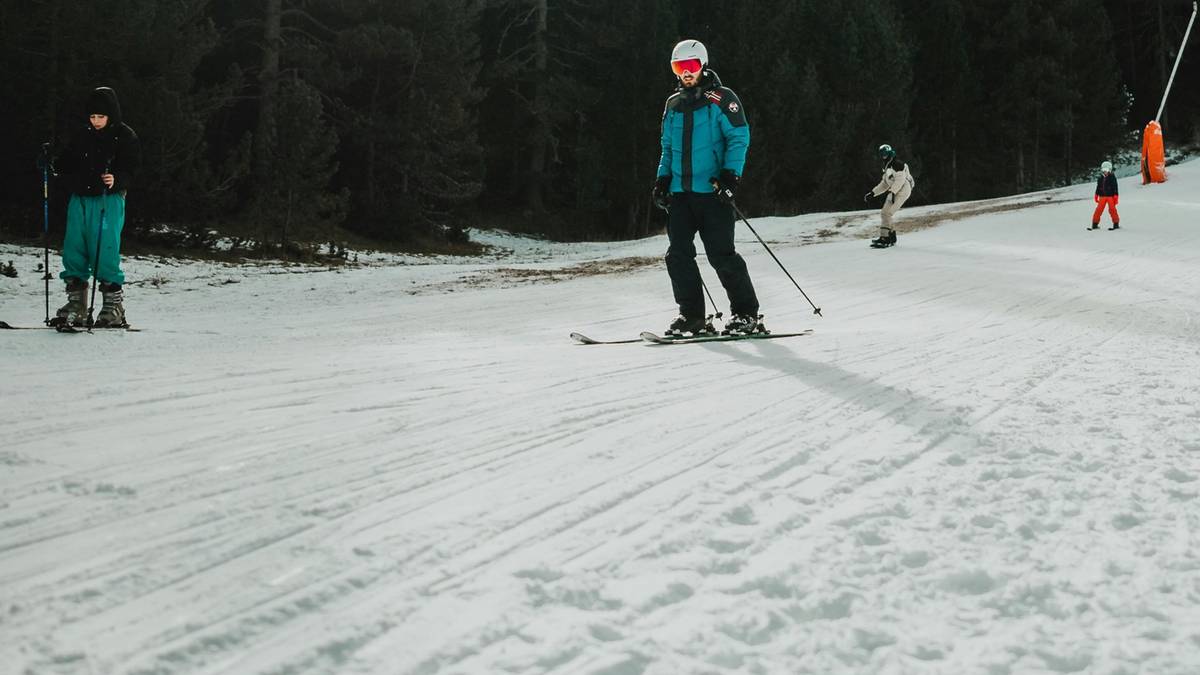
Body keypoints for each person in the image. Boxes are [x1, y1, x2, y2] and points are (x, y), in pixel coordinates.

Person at [652, 39, 761, 336]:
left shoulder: (721, 99)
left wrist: (730, 177)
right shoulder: (673, 105)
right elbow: (667, 148)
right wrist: (663, 180)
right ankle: (692, 316)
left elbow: (739, 138)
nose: (686, 73)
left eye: (691, 66)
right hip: (681, 194)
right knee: (677, 255)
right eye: (679, 67)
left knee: (721, 254)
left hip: (712, 192)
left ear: (702, 65)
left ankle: (745, 314)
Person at [51, 86, 140, 328]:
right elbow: (67, 161)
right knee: (74, 247)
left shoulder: (124, 135)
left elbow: (131, 168)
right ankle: (76, 303)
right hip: (80, 197)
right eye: (92, 117)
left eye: (101, 117)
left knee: (104, 248)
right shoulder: (82, 135)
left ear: (111, 115)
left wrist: (117, 179)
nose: (96, 121)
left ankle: (113, 305)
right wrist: (52, 162)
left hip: (107, 199)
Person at [863, 144, 914, 248]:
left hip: (903, 190)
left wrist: (893, 192)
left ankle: (885, 238)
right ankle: (889, 237)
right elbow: (885, 183)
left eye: (885, 153)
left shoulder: (897, 164)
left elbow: (900, 180)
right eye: (882, 154)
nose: (883, 156)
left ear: (890, 153)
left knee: (888, 213)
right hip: (894, 190)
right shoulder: (887, 166)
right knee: (884, 213)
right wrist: (873, 193)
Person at [1091, 160, 1119, 230]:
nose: (1105, 171)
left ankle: (1116, 223)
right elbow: (1098, 186)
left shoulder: (1112, 177)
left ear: (1110, 170)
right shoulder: (1100, 178)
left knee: (1112, 209)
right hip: (1102, 196)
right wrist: (1096, 194)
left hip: (1110, 196)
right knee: (1099, 210)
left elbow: (1115, 186)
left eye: (1107, 170)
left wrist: (1116, 195)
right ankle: (1095, 223)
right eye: (1104, 170)